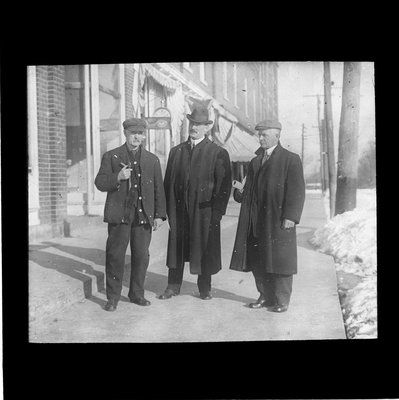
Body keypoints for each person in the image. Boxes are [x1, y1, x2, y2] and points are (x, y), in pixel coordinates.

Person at [159, 98, 232, 300]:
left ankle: (204, 288)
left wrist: (217, 213)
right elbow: (168, 185)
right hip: (179, 211)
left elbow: (223, 186)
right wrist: (166, 212)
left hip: (204, 212)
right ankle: (173, 286)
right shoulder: (176, 152)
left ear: (207, 128)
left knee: (204, 248)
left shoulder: (217, 153)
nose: (194, 128)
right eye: (192, 123)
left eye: (199, 125)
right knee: (177, 249)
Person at [230, 119, 305, 312]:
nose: (260, 138)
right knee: (258, 259)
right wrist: (239, 192)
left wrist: (291, 216)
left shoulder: (290, 159)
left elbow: (297, 191)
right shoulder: (255, 161)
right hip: (256, 220)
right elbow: (250, 191)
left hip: (278, 219)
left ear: (277, 136)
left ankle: (282, 300)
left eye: (264, 135)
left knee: (280, 260)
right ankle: (265, 296)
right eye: (259, 135)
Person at [95, 118, 166, 311]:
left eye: (141, 133)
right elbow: (100, 182)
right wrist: (117, 177)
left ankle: (136, 294)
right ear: (125, 133)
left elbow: (159, 189)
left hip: (143, 216)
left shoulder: (152, 160)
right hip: (120, 215)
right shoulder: (112, 156)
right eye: (133, 133)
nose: (137, 137)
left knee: (141, 256)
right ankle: (113, 298)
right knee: (115, 255)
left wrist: (159, 215)